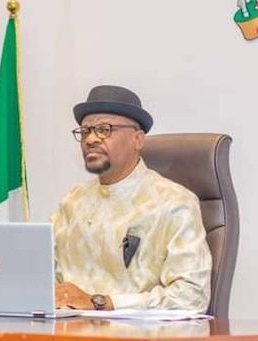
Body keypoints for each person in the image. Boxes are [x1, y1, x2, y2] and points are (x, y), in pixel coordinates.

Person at [52, 85, 212, 312]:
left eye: (104, 129)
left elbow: (192, 297)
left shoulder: (174, 203)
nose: (90, 139)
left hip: (140, 333)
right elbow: (44, 280)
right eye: (85, 131)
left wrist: (104, 303)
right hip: (68, 331)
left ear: (138, 139)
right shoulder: (71, 203)